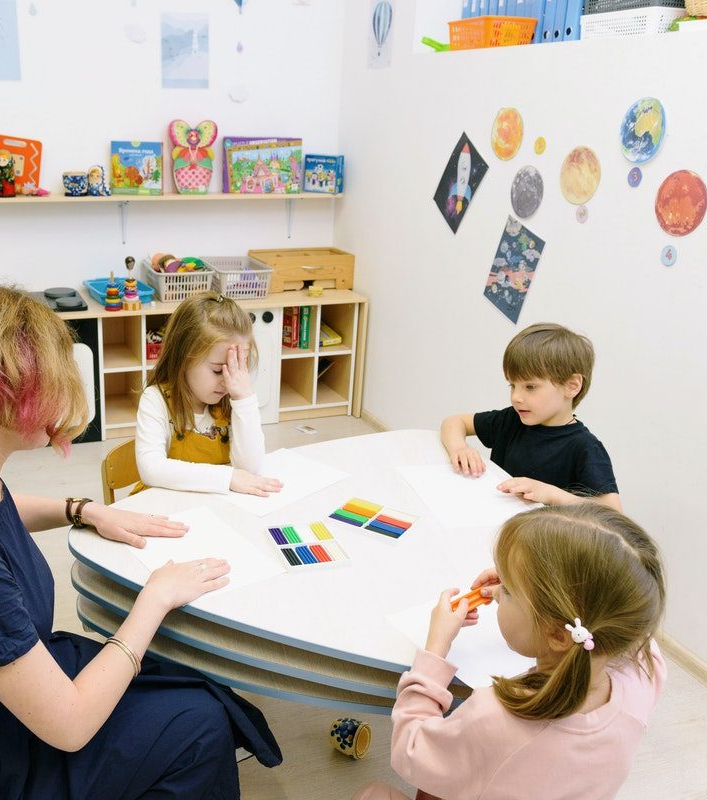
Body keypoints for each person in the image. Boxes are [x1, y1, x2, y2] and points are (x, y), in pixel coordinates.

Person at [0, 284, 281, 799]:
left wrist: (81, 510)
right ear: (3, 396)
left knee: (179, 682)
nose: (62, 396)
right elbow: (71, 725)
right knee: (198, 725)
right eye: (50, 382)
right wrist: (154, 600)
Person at [354, 503, 666, 800]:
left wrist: (435, 647)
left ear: (558, 633)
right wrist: (524, 581)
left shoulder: (496, 716)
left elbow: (411, 751)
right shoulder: (645, 670)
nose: (502, 591)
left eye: (511, 591)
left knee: (373, 793)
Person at [440, 322, 621, 510]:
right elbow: (454, 422)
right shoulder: (512, 419)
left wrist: (552, 494)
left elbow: (613, 513)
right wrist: (459, 448)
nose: (516, 397)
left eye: (530, 387)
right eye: (512, 386)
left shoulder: (585, 447)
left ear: (572, 386)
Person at [134, 291, 282, 496]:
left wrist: (244, 398)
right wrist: (228, 477)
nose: (228, 379)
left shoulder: (233, 397)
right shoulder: (155, 399)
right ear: (184, 360)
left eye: (238, 367)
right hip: (165, 507)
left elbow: (250, 470)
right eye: (217, 369)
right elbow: (151, 469)